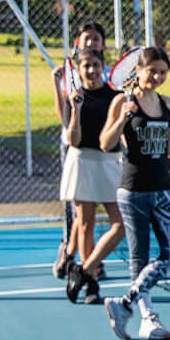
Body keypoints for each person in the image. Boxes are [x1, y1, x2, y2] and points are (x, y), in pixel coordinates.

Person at [92, 46, 170, 340]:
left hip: (161, 190)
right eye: (152, 71)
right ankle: (148, 318)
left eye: (162, 72)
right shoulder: (123, 100)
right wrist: (122, 118)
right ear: (139, 71)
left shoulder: (167, 104)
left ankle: (124, 305)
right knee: (140, 255)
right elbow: (105, 143)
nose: (157, 77)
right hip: (132, 191)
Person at [61, 44, 123, 306]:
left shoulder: (116, 96)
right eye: (86, 66)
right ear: (78, 69)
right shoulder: (73, 98)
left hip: (109, 162)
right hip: (82, 161)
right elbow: (73, 140)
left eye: (96, 65)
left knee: (120, 225)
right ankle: (92, 285)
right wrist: (76, 109)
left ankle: (85, 268)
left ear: (103, 68)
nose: (91, 70)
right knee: (85, 226)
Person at [54, 22, 108, 280]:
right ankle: (71, 254)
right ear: (78, 42)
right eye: (87, 38)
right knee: (79, 213)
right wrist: (58, 86)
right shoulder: (72, 74)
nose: (91, 42)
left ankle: (84, 258)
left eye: (96, 39)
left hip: (105, 155)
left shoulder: (108, 78)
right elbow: (64, 115)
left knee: (95, 214)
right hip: (77, 150)